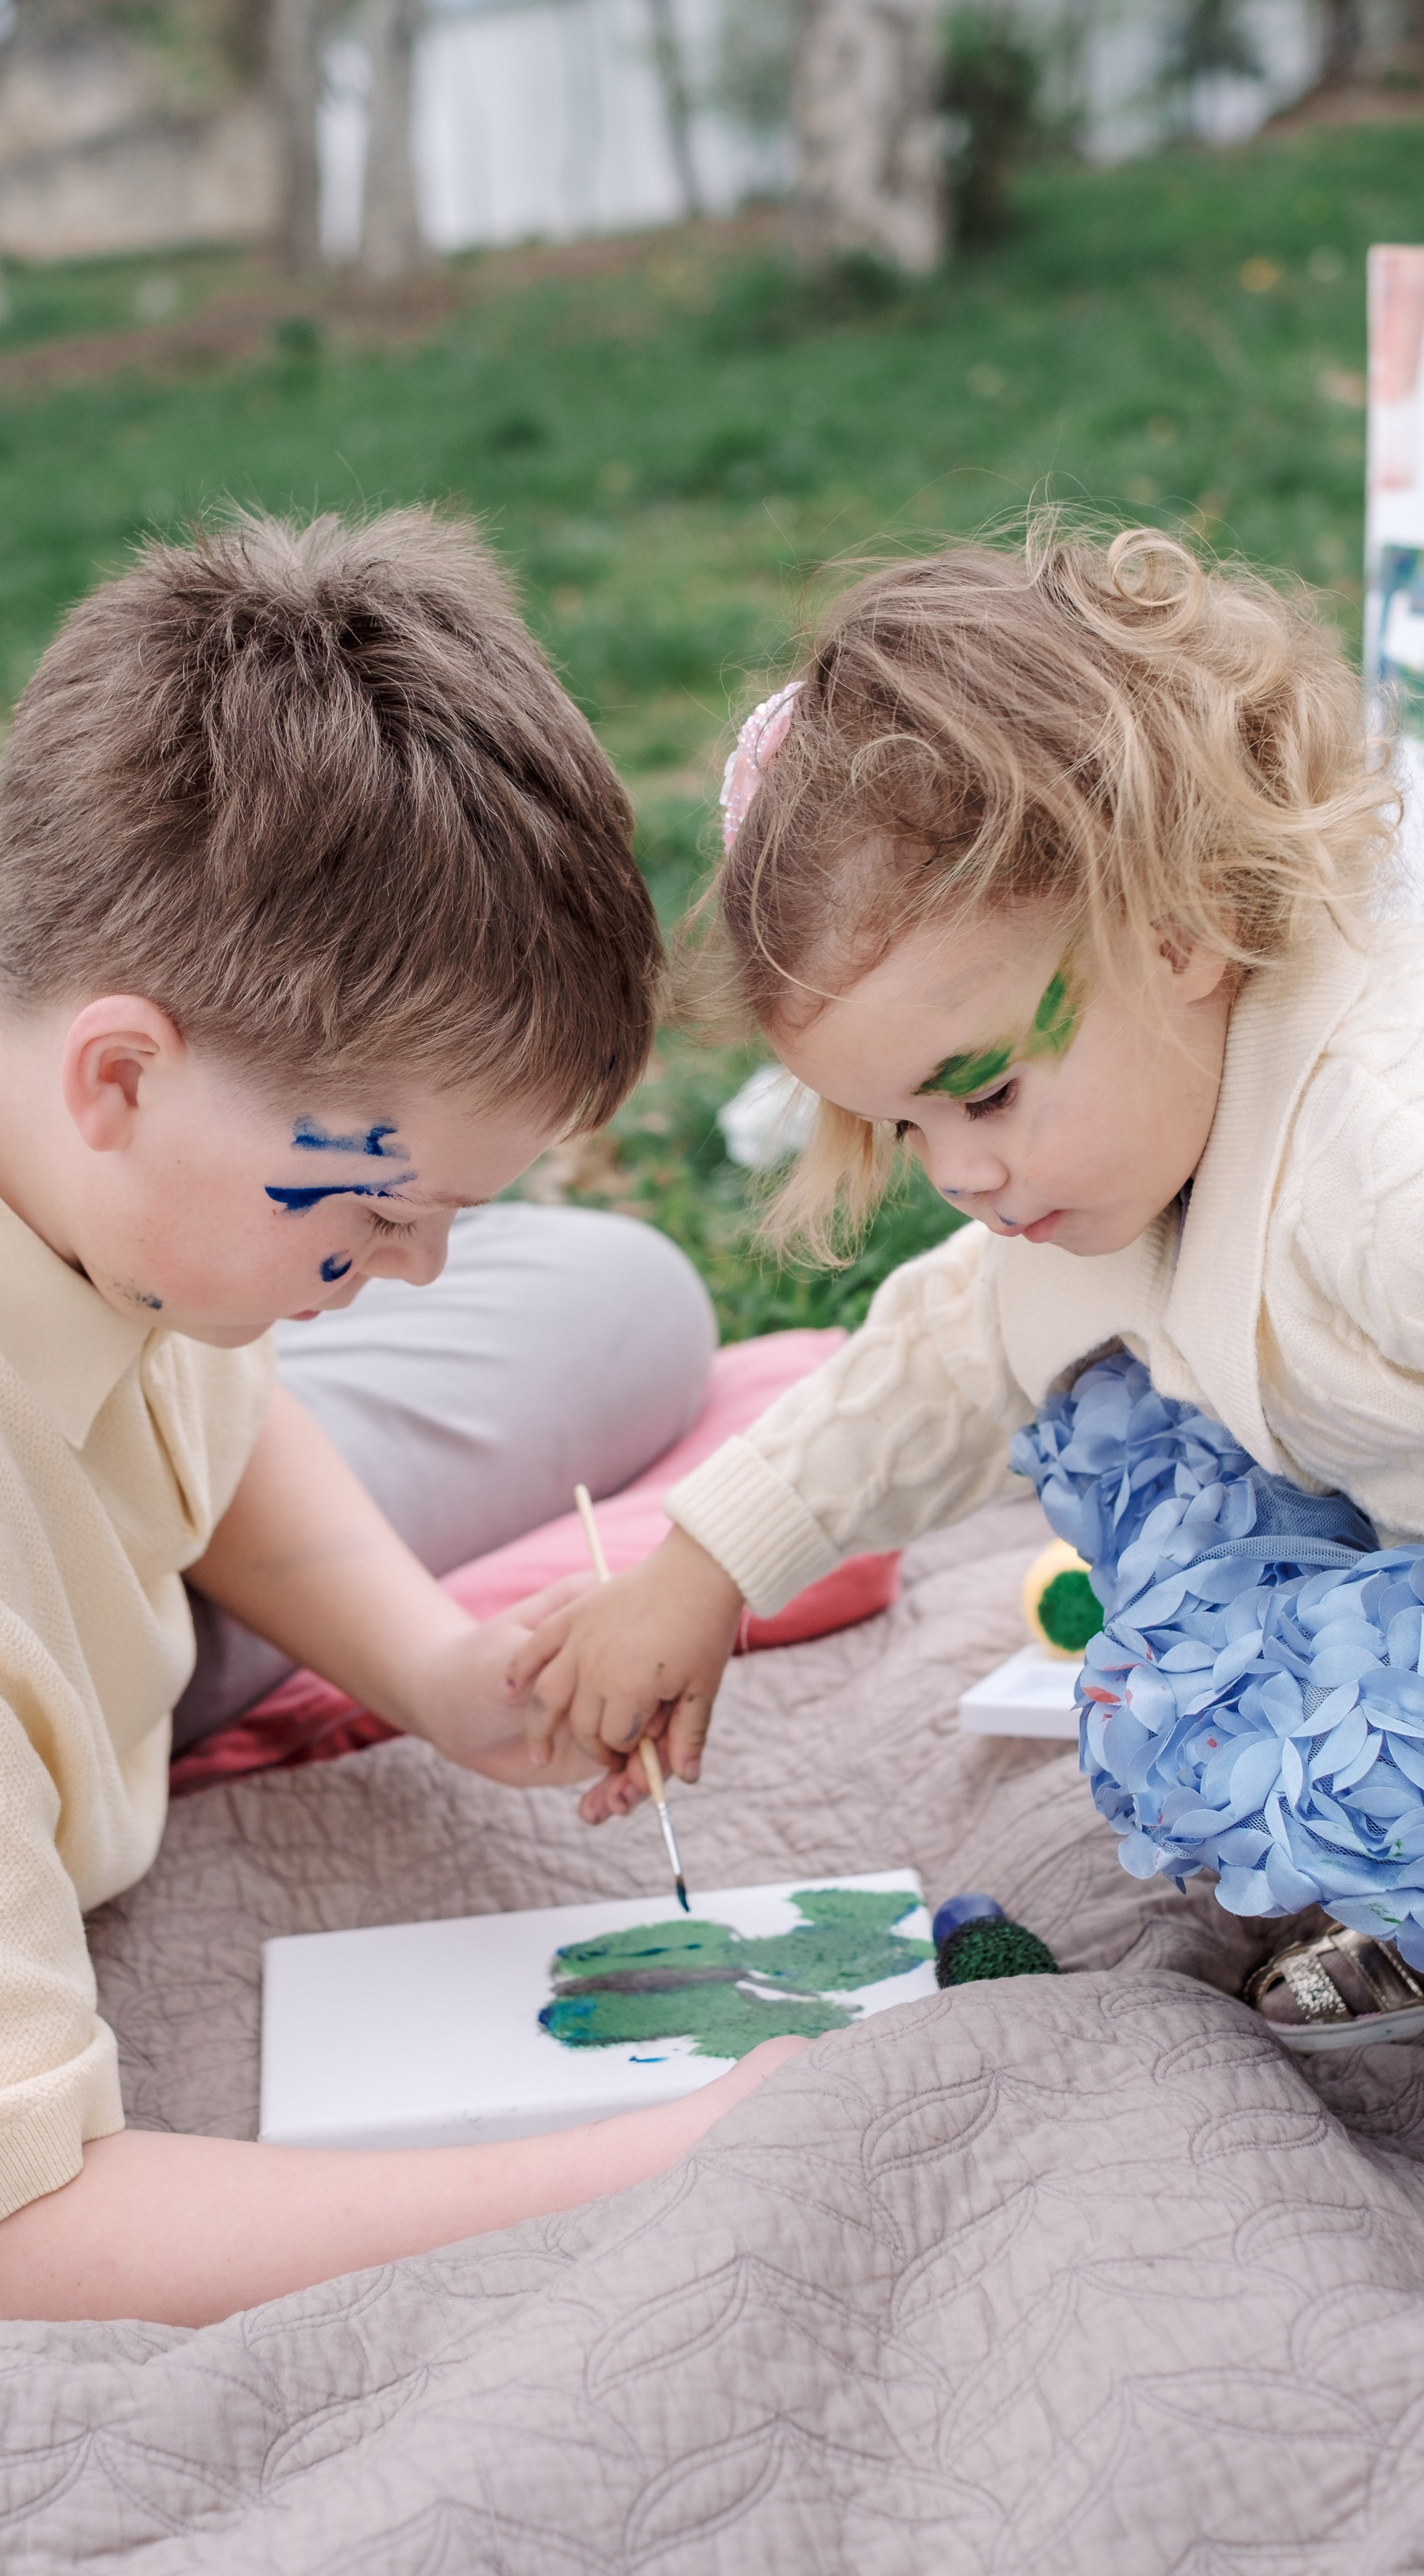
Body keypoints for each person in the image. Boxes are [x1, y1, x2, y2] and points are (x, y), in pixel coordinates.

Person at [0, 507, 806, 2335]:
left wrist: (436, 1673)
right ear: (121, 1078)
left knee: (617, 1303)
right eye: (380, 1219)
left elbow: (203, 1380)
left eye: (449, 1210)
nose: (430, 1271)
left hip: (3, 1518)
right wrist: (673, 2151)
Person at [511, 521, 1424, 2041]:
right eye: (901, 1125)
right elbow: (943, 1354)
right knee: (1117, 1434)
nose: (954, 1174)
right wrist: (699, 1573)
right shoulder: (1119, 1158)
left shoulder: (1375, 1156)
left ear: (1180, 926)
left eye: (982, 1093)